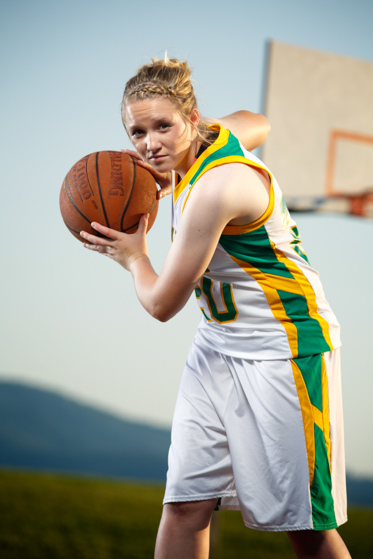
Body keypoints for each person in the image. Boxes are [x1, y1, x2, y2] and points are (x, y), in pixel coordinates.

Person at [80, 57, 351, 559]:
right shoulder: (209, 139)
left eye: (163, 126)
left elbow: (161, 304)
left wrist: (133, 256)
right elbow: (257, 120)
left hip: (285, 348)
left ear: (191, 117)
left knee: (305, 526)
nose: (150, 143)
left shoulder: (218, 188)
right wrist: (173, 164)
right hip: (218, 345)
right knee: (184, 505)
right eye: (137, 131)